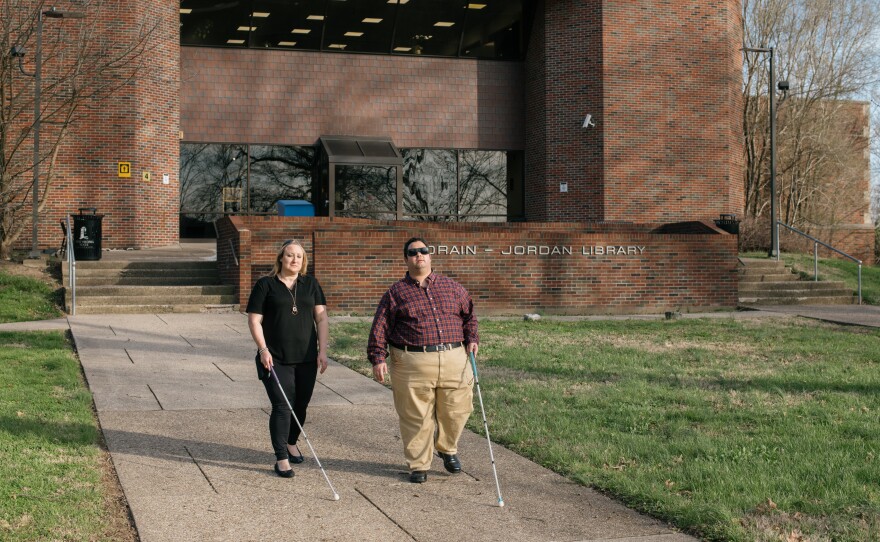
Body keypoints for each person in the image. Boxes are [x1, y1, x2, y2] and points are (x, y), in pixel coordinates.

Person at [368, 237, 479, 484]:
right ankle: (419, 464)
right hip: (412, 361)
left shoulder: (452, 287)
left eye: (423, 251)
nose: (419, 255)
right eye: (413, 252)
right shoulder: (395, 292)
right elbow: (380, 326)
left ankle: (447, 448)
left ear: (430, 256)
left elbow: (469, 316)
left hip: (455, 358)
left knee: (457, 410)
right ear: (406, 259)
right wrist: (377, 357)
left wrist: (472, 338)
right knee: (415, 415)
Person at [247, 239, 329, 478]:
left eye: (299, 256)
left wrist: (322, 351)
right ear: (281, 258)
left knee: (300, 405)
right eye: (290, 255)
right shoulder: (265, 285)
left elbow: (321, 319)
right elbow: (254, 320)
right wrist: (263, 349)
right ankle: (281, 457)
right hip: (275, 358)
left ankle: (292, 442)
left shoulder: (311, 284)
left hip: (306, 358)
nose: (295, 260)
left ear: (304, 261)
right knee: (282, 406)